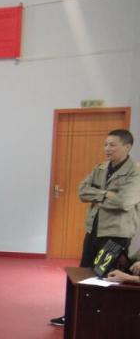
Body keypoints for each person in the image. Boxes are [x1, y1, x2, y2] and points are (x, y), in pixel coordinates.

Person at [50, 129, 140, 326]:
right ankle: (74, 316)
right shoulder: (100, 168)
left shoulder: (135, 172)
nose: (107, 148)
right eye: (105, 144)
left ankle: (101, 320)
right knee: (83, 274)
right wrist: (107, 194)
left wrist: (98, 194)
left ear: (127, 147)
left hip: (116, 234)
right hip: (94, 230)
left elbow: (124, 201)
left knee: (106, 276)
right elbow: (82, 191)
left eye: (112, 145)